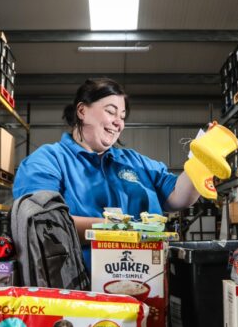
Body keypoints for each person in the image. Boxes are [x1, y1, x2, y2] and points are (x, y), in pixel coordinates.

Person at [12, 78, 201, 269]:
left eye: (123, 116)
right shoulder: (48, 160)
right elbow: (41, 222)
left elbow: (180, 197)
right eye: (110, 111)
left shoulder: (136, 163)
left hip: (147, 285)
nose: (118, 123)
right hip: (78, 290)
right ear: (82, 111)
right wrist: (118, 229)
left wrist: (202, 161)